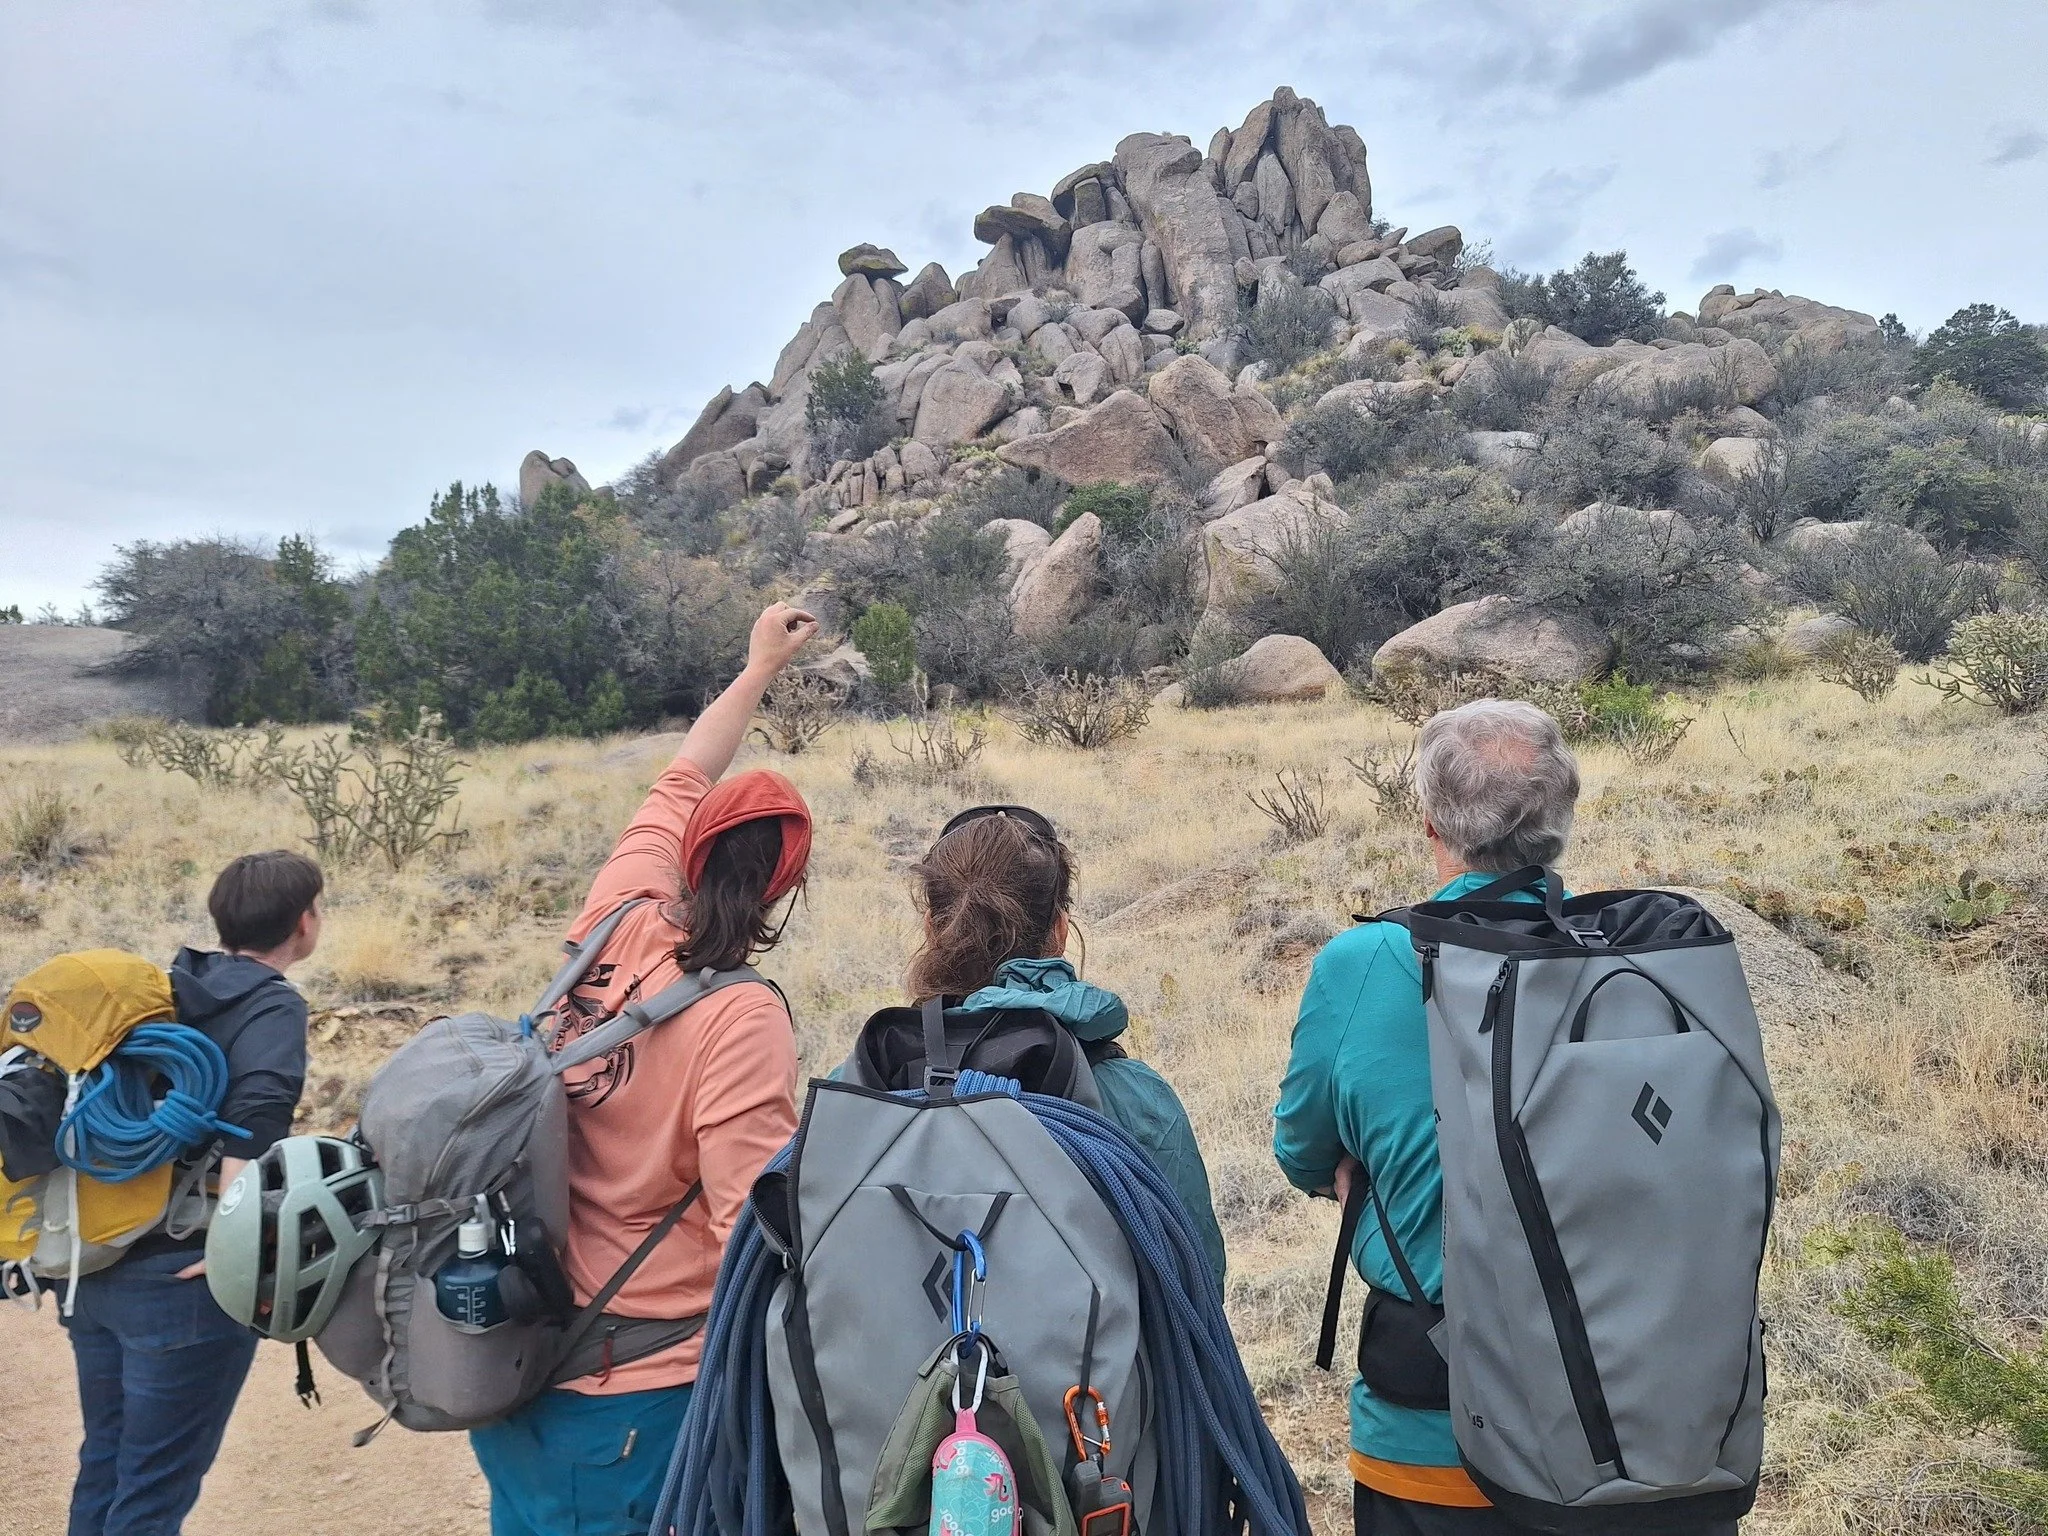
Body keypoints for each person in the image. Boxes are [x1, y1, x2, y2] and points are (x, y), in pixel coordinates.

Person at [469, 601, 820, 1536]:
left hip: (522, 1351)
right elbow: (753, 1230)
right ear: (783, 888)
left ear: (686, 849)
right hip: (639, 1396)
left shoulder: (616, 909)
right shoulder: (739, 1015)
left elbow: (684, 772)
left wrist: (758, 666)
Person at [62, 849, 324, 1536]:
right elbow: (258, 1118)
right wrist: (234, 1248)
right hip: (180, 1281)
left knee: (107, 1465)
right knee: (152, 1493)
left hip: (96, 1260)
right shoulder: (272, 1005)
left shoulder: (161, 989)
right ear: (304, 922)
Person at [892, 804, 1227, 1288]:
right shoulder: (1137, 1098)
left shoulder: (869, 1079)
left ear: (930, 927)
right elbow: (1197, 1280)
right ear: (1060, 930)